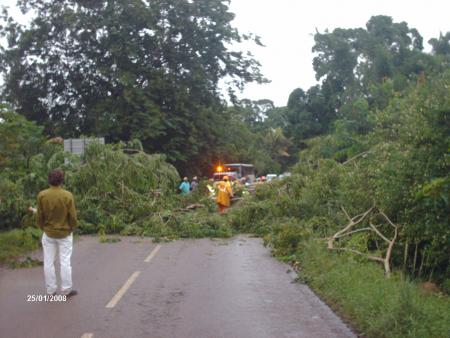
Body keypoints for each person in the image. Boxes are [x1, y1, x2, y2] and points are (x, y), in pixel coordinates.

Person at [37, 169, 78, 297]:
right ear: (62, 180)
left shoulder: (42, 195)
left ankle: (51, 291)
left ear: (49, 179)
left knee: (48, 262)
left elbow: (39, 216)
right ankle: (66, 290)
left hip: (48, 233)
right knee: (65, 262)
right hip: (65, 234)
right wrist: (72, 227)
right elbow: (72, 217)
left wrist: (42, 227)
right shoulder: (67, 195)